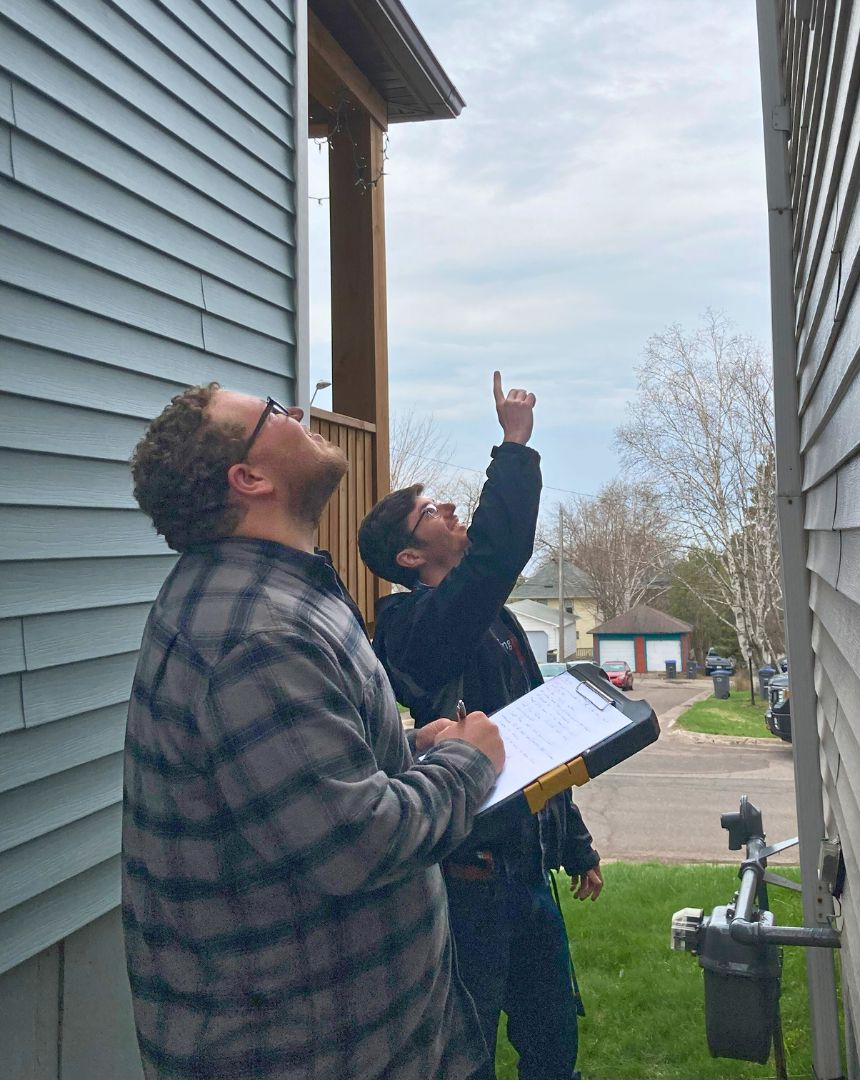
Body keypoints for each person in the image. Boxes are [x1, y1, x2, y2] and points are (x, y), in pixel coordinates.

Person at [124, 383, 505, 1080]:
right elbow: (356, 845)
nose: (296, 413)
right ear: (250, 477)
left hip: (376, 1032)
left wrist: (404, 752)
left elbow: (310, 785)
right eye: (273, 412)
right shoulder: (254, 635)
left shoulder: (271, 592)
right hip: (312, 1051)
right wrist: (465, 764)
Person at [357, 372, 604, 1080]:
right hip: (471, 885)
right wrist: (514, 448)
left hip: (526, 871)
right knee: (466, 1053)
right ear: (411, 557)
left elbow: (537, 739)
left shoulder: (494, 622)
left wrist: (575, 843)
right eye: (431, 509)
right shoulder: (414, 626)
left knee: (553, 1041)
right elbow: (499, 554)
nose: (450, 505)